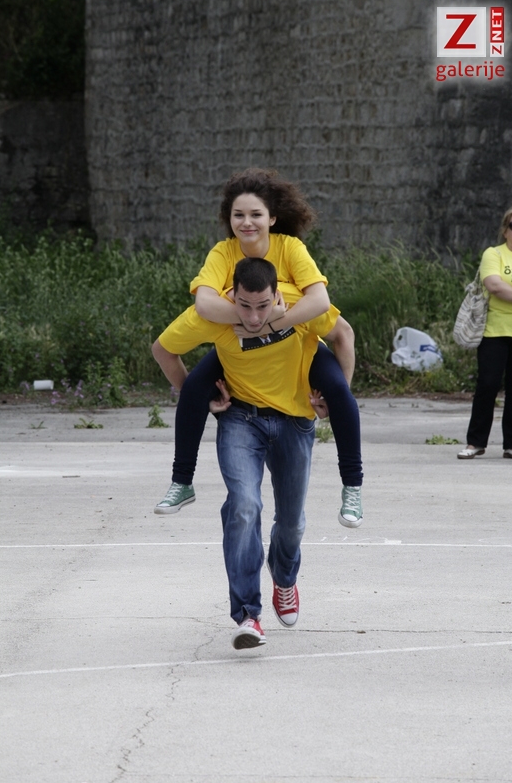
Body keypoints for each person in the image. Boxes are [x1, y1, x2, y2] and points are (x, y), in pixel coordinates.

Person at [154, 168, 363, 526]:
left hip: (298, 341)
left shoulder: (289, 248)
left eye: (256, 214)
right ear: (228, 218)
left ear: (273, 217)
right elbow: (204, 304)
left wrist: (275, 322)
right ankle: (182, 481)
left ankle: (353, 487)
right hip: (235, 344)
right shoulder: (223, 253)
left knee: (340, 391)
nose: (247, 222)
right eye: (238, 215)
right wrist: (253, 320)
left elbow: (320, 302)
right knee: (193, 388)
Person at [152, 257, 337, 649]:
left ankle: (284, 578)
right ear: (231, 296)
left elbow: (344, 335)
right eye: (244, 306)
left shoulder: (298, 306)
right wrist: (198, 397)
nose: (253, 318)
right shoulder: (215, 315)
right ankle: (248, 615)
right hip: (241, 420)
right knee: (243, 506)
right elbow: (163, 350)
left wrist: (334, 400)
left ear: (277, 296)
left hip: (294, 421)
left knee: (292, 523)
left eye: (263, 306)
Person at [458, 206, 512, 460]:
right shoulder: (494, 253)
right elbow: (495, 286)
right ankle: (475, 442)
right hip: (494, 329)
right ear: (505, 230)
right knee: (488, 384)